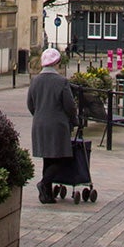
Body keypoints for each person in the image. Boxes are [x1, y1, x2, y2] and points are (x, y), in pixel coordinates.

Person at [25, 47, 80, 203]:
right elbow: (69, 106)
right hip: (57, 125)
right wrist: (74, 120)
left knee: (48, 159)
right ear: (57, 63)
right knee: (62, 158)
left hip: (39, 124)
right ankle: (44, 184)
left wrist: (39, 114)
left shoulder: (35, 81)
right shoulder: (61, 82)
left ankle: (46, 195)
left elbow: (30, 104)